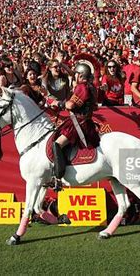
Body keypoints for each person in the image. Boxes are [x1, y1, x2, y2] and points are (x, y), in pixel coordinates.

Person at [49, 63, 100, 192]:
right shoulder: (91, 86)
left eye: (76, 74)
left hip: (78, 123)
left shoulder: (82, 87)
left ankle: (58, 178)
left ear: (81, 75)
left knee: (57, 144)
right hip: (85, 121)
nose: (74, 76)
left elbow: (71, 105)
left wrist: (58, 103)